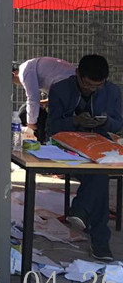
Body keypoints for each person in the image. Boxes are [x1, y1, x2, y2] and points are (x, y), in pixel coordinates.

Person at [46, 54, 122, 262]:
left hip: (99, 146)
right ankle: (99, 240)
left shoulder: (112, 91)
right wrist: (75, 121)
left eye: (97, 86)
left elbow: (118, 124)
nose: (91, 89)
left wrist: (105, 122)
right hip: (68, 147)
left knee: (98, 175)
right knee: (99, 177)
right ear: (77, 74)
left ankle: (81, 209)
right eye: (87, 84)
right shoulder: (60, 89)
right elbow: (52, 127)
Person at [13, 57, 75, 136]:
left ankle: (47, 138)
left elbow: (33, 98)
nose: (15, 84)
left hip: (67, 82)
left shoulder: (24, 71)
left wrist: (31, 124)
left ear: (14, 73)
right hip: (71, 80)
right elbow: (53, 81)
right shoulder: (30, 65)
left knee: (24, 111)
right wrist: (46, 101)